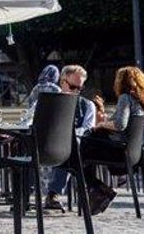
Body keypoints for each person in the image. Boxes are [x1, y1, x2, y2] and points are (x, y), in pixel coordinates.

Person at [80, 66, 144, 215]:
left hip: (119, 152)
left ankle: (99, 189)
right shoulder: (141, 102)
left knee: (81, 152)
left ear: (121, 82)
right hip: (134, 153)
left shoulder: (125, 98)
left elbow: (120, 125)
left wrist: (102, 124)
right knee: (87, 147)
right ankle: (98, 189)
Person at [44, 65, 96, 211]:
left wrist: (68, 134)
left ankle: (52, 194)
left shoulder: (88, 105)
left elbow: (87, 128)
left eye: (79, 88)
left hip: (70, 146)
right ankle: (22, 196)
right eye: (73, 87)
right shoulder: (47, 102)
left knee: (72, 143)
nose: (76, 92)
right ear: (62, 82)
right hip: (45, 143)